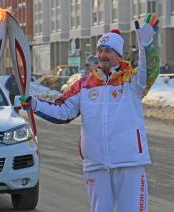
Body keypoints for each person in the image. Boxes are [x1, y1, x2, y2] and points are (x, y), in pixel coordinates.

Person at [20, 13, 161, 212]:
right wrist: (35, 104)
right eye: (101, 50)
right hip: (96, 165)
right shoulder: (84, 85)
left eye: (108, 51)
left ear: (118, 55)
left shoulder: (132, 81)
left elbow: (151, 71)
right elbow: (63, 111)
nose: (103, 55)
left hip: (129, 161)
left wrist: (146, 45)